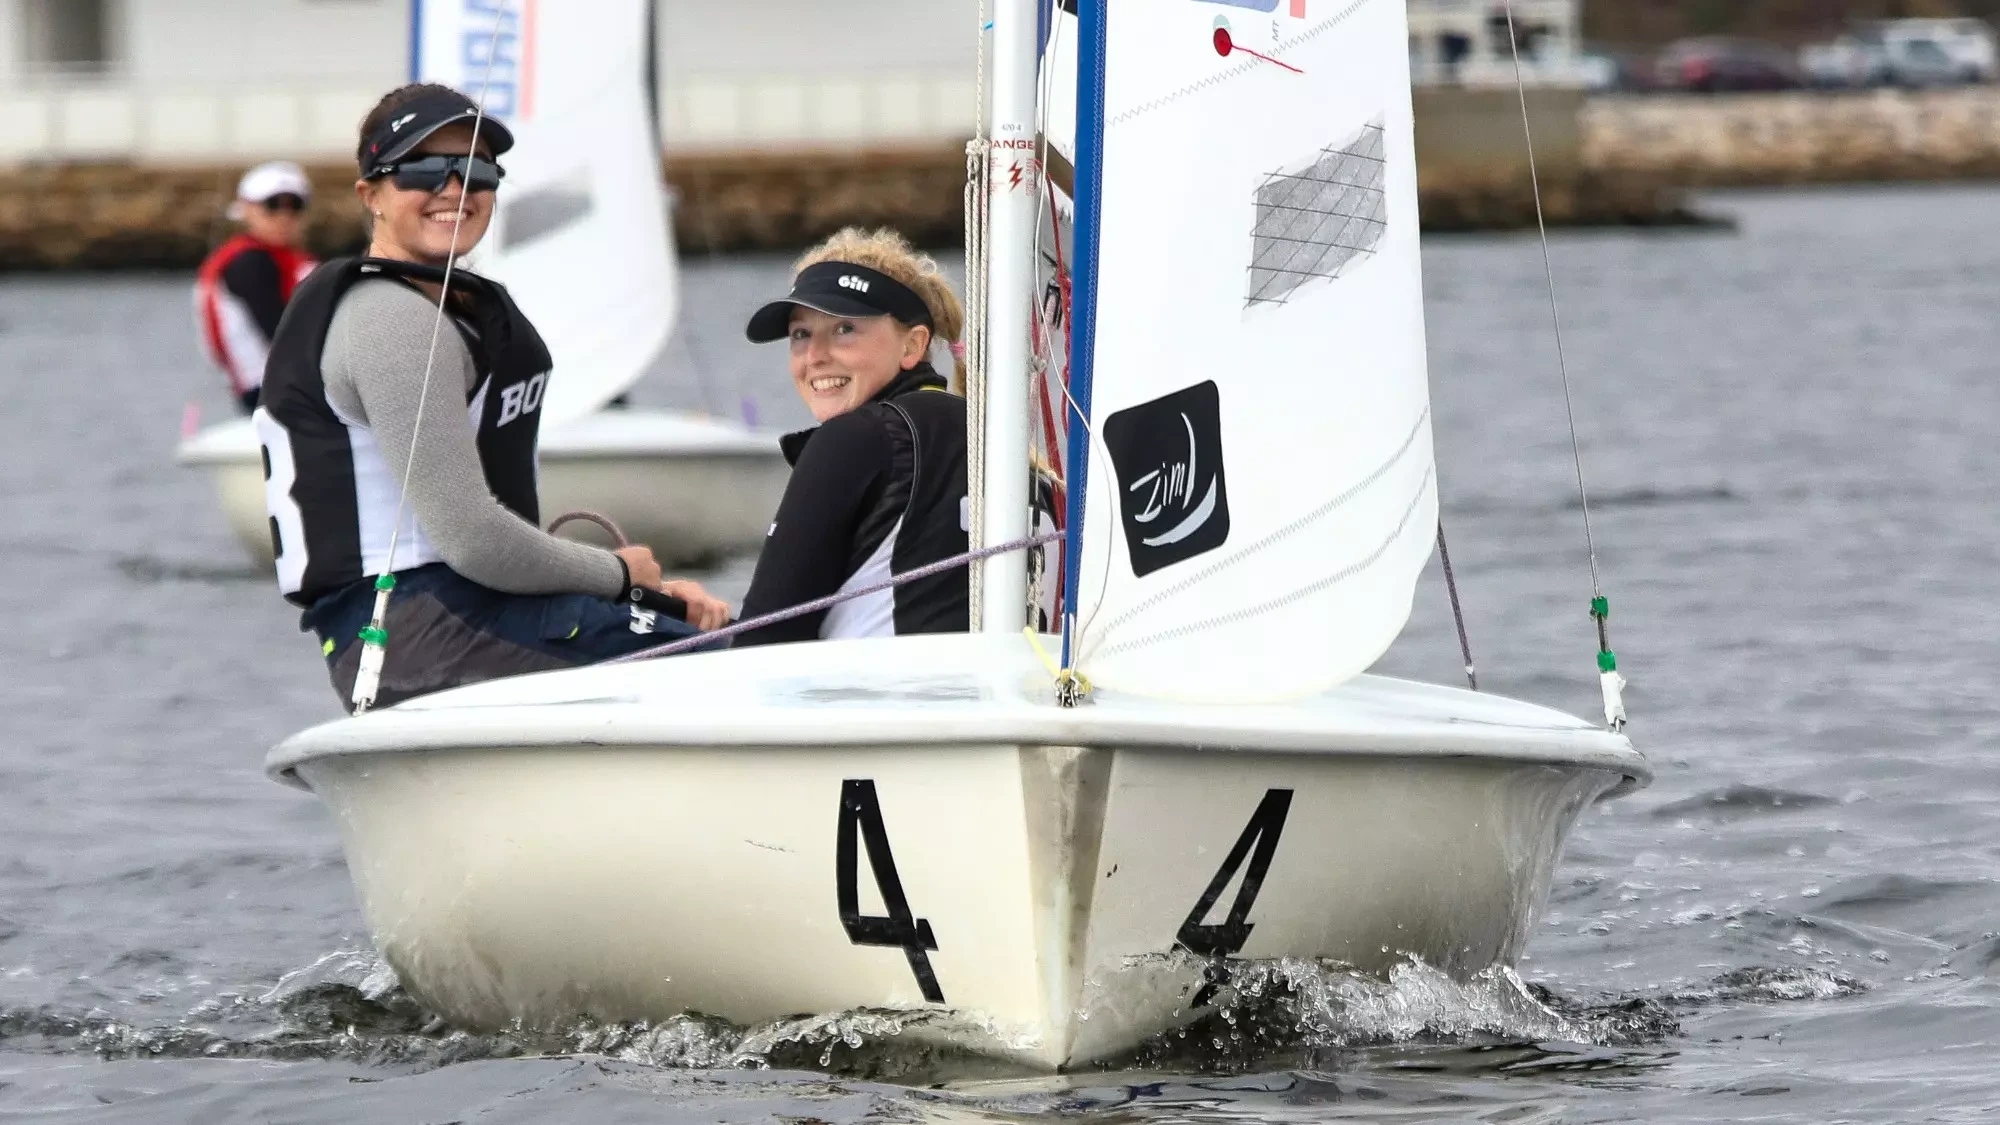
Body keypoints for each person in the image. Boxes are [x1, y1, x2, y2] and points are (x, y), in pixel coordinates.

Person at [255, 82, 729, 711]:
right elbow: (474, 542)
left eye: (476, 170)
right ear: (370, 194)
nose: (455, 189)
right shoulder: (390, 322)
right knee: (735, 668)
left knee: (724, 635)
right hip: (417, 632)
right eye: (423, 169)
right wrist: (619, 577)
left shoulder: (442, 309)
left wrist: (648, 597)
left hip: (460, 616)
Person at [733, 228, 971, 646]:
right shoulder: (996, 436)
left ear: (912, 346)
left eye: (844, 329)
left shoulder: (859, 437)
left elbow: (762, 643)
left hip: (886, 705)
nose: (815, 356)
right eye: (800, 334)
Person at [194, 161, 320, 413]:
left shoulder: (285, 260)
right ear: (246, 209)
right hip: (274, 395)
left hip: (288, 391)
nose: (284, 217)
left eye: (294, 206)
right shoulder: (248, 264)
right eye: (272, 206)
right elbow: (281, 335)